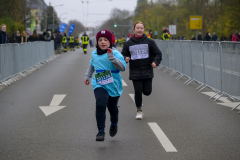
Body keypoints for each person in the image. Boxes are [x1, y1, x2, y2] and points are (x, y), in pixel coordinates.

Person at [84, 30, 126, 141]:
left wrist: (111, 57)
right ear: (97, 42)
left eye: (105, 40)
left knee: (112, 108)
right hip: (99, 83)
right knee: (100, 103)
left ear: (110, 41)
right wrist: (87, 76)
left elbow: (122, 68)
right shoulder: (94, 53)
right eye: (100, 40)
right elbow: (92, 65)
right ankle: (101, 131)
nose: (103, 42)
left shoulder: (116, 53)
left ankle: (114, 124)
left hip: (113, 83)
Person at [121, 21, 162, 120]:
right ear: (134, 29)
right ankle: (139, 110)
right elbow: (122, 55)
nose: (139, 30)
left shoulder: (150, 42)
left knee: (147, 92)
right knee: (138, 91)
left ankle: (140, 103)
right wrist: (125, 58)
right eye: (137, 28)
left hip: (147, 71)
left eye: (141, 28)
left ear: (144, 30)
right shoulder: (128, 43)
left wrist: (155, 62)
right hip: (135, 71)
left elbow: (158, 53)